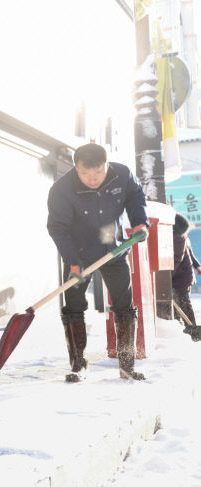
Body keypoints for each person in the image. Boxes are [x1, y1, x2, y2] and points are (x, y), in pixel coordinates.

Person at [47, 143, 149, 382]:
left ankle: (127, 365)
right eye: (85, 174)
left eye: (98, 172)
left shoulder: (121, 175)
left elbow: (136, 196)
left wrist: (140, 222)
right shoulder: (61, 190)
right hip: (78, 253)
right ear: (76, 169)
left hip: (113, 249)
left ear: (107, 164)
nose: (93, 179)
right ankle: (78, 364)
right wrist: (73, 262)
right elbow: (58, 229)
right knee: (73, 305)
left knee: (124, 305)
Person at [171, 212, 201, 340]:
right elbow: (191, 253)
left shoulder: (178, 237)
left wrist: (166, 279)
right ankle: (183, 330)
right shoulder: (180, 235)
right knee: (178, 304)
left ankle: (193, 333)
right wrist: (197, 266)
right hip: (180, 274)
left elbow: (177, 258)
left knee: (184, 304)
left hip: (181, 276)